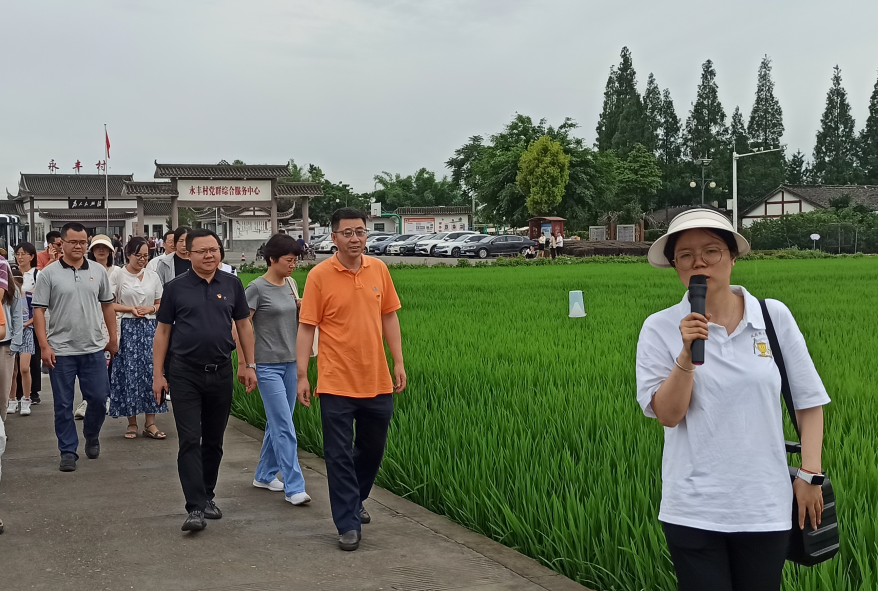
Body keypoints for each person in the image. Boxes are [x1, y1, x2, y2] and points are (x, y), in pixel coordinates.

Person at [635, 209, 829, 591]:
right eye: (686, 255)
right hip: (692, 508)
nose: (699, 262)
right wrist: (687, 355)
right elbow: (669, 415)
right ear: (675, 265)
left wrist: (810, 474)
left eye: (711, 251)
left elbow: (808, 402)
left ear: (732, 257)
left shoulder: (772, 317)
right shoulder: (659, 328)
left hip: (764, 505)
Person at [297, 208, 406, 552]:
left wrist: (398, 361)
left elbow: (389, 316)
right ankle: (347, 524)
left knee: (372, 450)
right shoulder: (319, 275)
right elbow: (307, 327)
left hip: (377, 378)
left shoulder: (379, 269)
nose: (355, 238)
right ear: (334, 237)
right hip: (335, 381)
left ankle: (355, 498)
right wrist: (302, 375)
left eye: (360, 231)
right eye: (347, 233)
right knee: (338, 454)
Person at [153, 228, 257, 532]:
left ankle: (207, 494)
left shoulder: (232, 284)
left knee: (213, 440)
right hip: (184, 372)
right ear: (188, 254)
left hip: (221, 371)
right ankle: (195, 507)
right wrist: (158, 374)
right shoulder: (175, 288)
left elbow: (244, 326)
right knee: (189, 440)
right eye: (202, 251)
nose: (209, 255)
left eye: (214, 250)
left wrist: (248, 365)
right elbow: (163, 332)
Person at [33, 222, 117, 472]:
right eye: (73, 242)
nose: (79, 246)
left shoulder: (98, 271)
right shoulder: (48, 274)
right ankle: (68, 450)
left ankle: (92, 435)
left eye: (83, 242)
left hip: (93, 348)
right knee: (63, 405)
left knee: (99, 399)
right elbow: (38, 311)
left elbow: (108, 306)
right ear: (62, 243)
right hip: (61, 351)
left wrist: (113, 338)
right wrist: (44, 346)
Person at [244, 234, 310, 505]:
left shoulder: (291, 284)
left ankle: (264, 475)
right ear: (272, 259)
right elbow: (241, 326)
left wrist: (300, 306)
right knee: (284, 425)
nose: (293, 265)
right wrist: (247, 364)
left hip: (291, 362)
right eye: (289, 260)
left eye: (295, 260)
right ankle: (294, 487)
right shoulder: (256, 288)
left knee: (279, 422)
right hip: (267, 365)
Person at [109, 237, 167, 439]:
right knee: (130, 374)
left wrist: (151, 309)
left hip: (150, 328)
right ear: (128, 255)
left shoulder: (152, 276)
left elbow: (161, 303)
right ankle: (131, 423)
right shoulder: (118, 275)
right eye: (138, 255)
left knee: (152, 372)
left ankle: (150, 423)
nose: (142, 260)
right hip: (128, 328)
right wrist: (130, 309)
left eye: (146, 256)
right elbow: (108, 304)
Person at [74, 235, 118, 419]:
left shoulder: (117, 272)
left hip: (111, 322)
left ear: (111, 251)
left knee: (109, 363)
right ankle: (87, 400)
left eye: (105, 247)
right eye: (97, 247)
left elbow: (115, 301)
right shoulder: (82, 270)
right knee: (88, 364)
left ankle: (106, 397)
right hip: (89, 323)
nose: (101, 250)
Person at [13, 243, 41, 406]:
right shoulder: (12, 273)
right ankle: (17, 392)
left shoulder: (37, 275)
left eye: (23, 254)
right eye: (18, 254)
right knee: (16, 361)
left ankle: (33, 392)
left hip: (32, 323)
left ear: (31, 256)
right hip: (16, 324)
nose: (20, 257)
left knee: (33, 359)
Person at [7, 268, 32, 416]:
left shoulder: (29, 296)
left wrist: (25, 324)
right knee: (12, 370)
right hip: (11, 333)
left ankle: (26, 399)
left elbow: (36, 314)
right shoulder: (8, 296)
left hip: (27, 332)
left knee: (24, 368)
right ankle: (12, 399)